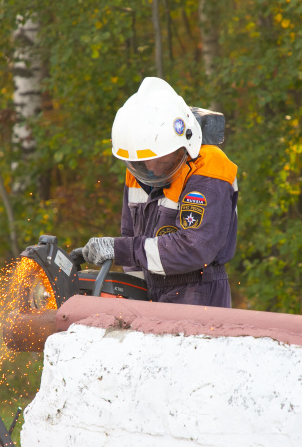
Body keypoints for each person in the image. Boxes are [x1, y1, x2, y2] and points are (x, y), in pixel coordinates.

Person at [83, 77, 238, 308]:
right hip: (152, 286)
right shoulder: (139, 172)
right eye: (141, 163)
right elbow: (131, 236)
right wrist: (132, 292)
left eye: (160, 160)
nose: (151, 168)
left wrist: (120, 249)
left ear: (184, 146)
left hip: (198, 290)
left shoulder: (210, 168)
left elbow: (195, 248)